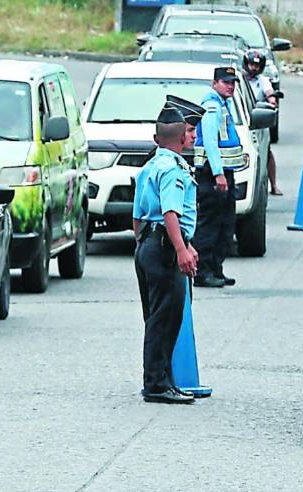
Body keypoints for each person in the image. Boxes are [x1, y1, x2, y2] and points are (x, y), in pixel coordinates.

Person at [131, 102, 199, 405]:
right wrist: (181, 249)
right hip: (164, 249)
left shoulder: (149, 166)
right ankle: (156, 385)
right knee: (166, 320)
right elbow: (171, 212)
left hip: (149, 245)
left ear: (157, 138)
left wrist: (144, 244)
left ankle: (163, 380)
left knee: (156, 318)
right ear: (182, 138)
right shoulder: (173, 170)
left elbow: (137, 216)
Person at [194, 66, 244, 289]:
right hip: (213, 174)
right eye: (226, 82)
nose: (230, 86)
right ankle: (202, 272)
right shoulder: (212, 106)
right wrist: (218, 174)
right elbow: (210, 143)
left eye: (233, 82)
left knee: (225, 224)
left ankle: (216, 269)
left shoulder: (223, 104)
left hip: (224, 173)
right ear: (215, 83)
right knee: (210, 224)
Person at [243, 50, 282, 196]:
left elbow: (269, 93)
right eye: (251, 64)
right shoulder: (239, 79)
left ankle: (273, 185)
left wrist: (272, 101)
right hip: (242, 120)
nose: (254, 68)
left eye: (257, 66)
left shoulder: (263, 80)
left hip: (257, 121)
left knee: (267, 152)